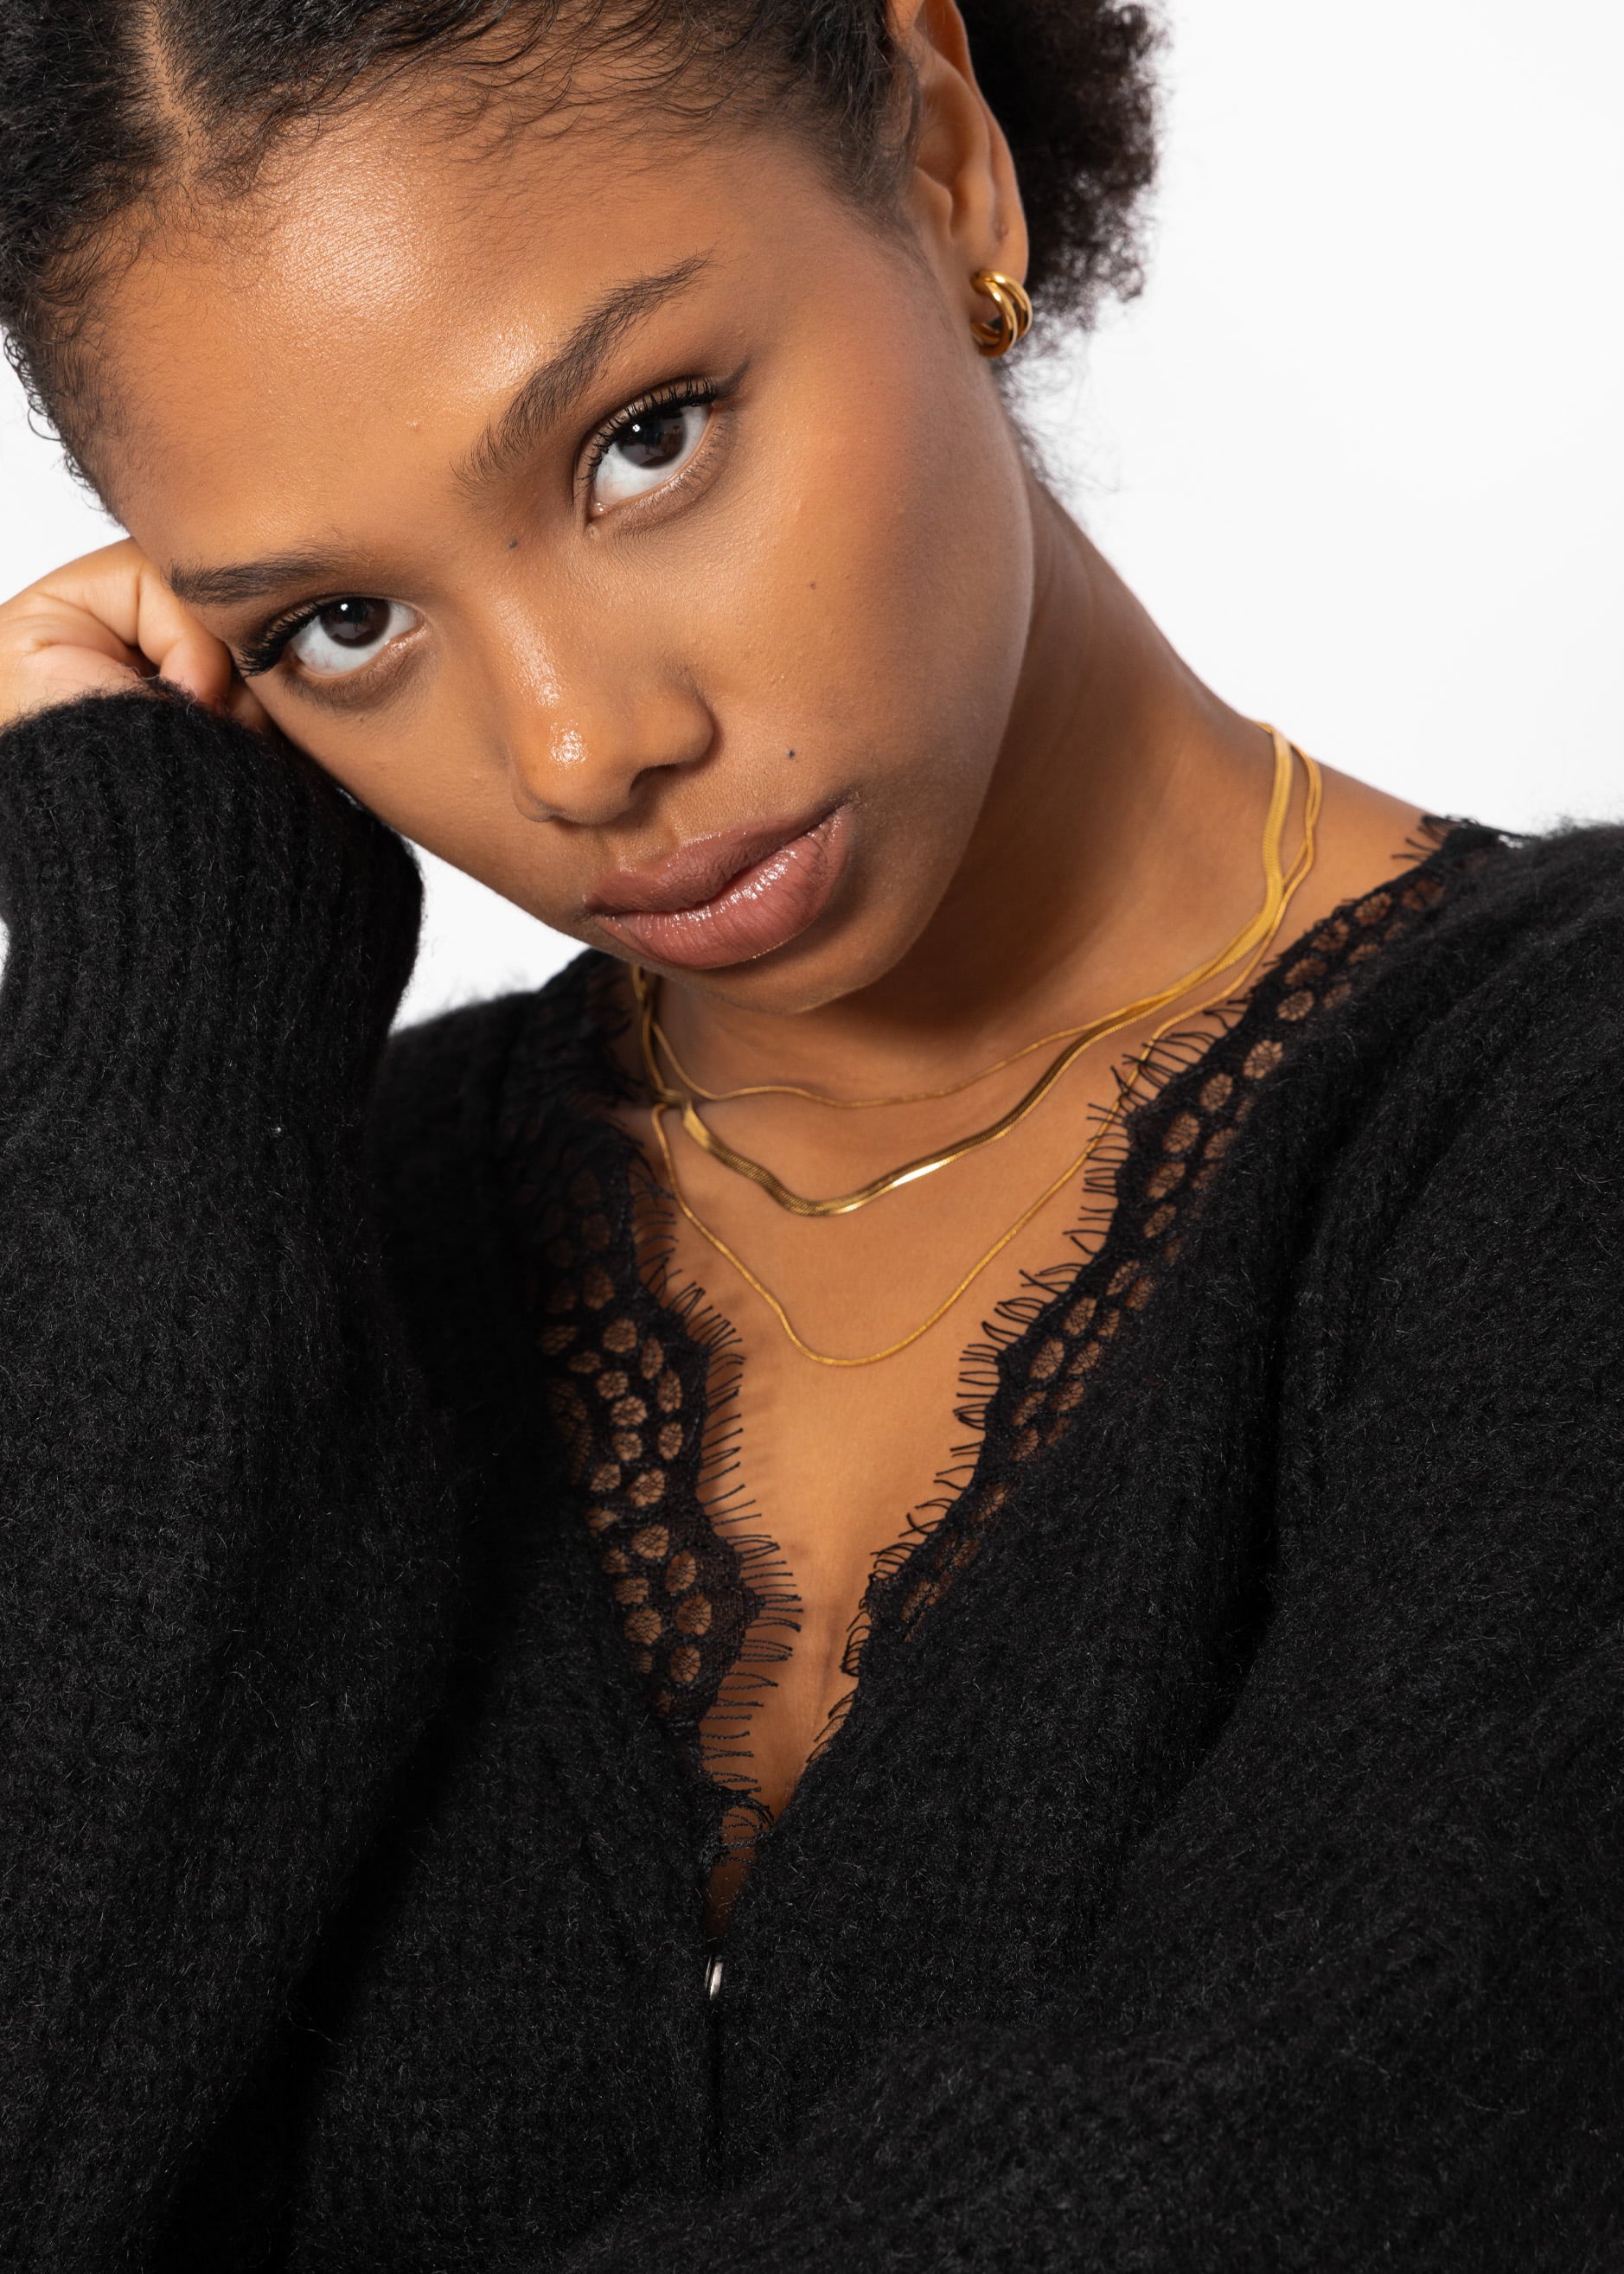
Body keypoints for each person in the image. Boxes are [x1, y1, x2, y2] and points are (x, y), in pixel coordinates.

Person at [0, 1, 1620, 2265]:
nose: (579, 749)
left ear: (944, 153)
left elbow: (1258, 2176)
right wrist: (163, 1061)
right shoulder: (263, 1280)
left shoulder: (1553, 1118)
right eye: (340, 624)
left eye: (643, 440)